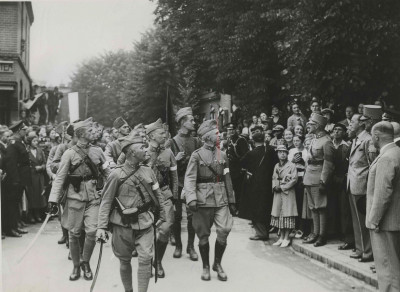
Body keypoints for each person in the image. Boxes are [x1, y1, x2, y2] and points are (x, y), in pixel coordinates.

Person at [97, 131, 164, 292]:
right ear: (132, 152)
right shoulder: (116, 175)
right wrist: (101, 227)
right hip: (122, 225)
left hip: (145, 222)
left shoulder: (148, 171)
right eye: (143, 147)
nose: (147, 150)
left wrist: (162, 214)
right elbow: (106, 201)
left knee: (146, 258)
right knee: (124, 260)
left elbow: (158, 195)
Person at [48, 118, 111, 281]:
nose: (94, 133)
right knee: (74, 234)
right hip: (74, 197)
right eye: (90, 131)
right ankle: (76, 266)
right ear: (81, 134)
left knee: (92, 231)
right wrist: (53, 200)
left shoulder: (98, 151)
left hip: (94, 197)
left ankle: (86, 262)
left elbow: (107, 173)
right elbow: (60, 178)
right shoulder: (69, 153)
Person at [184, 119, 236, 281]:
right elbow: (190, 178)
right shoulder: (196, 155)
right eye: (216, 133)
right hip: (202, 199)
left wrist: (232, 200)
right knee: (203, 234)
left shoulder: (223, 155)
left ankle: (217, 263)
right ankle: (206, 266)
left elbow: (227, 178)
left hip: (221, 197)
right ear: (207, 137)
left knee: (224, 229)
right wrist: (191, 198)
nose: (219, 135)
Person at [367, 121, 400, 292]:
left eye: (372, 135)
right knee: (395, 267)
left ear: (377, 136)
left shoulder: (387, 157)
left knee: (387, 270)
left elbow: (382, 194)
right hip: (394, 220)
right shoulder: (397, 152)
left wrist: (373, 221)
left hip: (385, 223)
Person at [145, 118, 178, 278]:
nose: (165, 135)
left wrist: (175, 198)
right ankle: (147, 260)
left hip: (165, 195)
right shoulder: (142, 152)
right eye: (161, 133)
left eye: (165, 132)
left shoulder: (169, 152)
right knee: (146, 232)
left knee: (164, 230)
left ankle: (157, 261)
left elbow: (174, 177)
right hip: (147, 197)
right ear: (151, 136)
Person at [170, 107, 201, 260]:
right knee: (176, 216)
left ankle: (191, 247)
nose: (194, 123)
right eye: (191, 120)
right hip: (177, 183)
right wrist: (175, 159)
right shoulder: (172, 142)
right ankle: (178, 246)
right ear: (182, 122)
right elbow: (164, 165)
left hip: (191, 184)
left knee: (192, 216)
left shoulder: (196, 141)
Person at [303, 113, 335, 247]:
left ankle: (322, 235)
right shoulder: (314, 139)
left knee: (321, 207)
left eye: (310, 123)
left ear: (317, 126)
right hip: (309, 176)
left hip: (318, 177)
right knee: (313, 207)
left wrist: (323, 180)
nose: (308, 125)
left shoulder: (327, 141)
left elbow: (329, 163)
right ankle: (315, 232)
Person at [347, 112, 375, 262]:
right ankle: (360, 248)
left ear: (361, 124)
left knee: (363, 220)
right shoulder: (356, 139)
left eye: (353, 121)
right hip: (353, 183)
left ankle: (367, 251)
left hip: (362, 184)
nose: (350, 124)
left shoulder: (368, 140)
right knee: (356, 220)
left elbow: (372, 165)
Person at [239, 131, 276, 240]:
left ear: (253, 141)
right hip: (269, 183)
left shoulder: (251, 153)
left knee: (256, 208)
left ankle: (260, 233)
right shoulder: (270, 150)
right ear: (264, 139)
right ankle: (265, 231)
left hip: (255, 185)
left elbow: (242, 162)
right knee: (266, 207)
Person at [3, 121, 30, 237]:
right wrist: (15, 180)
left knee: (15, 204)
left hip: (20, 178)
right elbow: (11, 163)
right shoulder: (13, 144)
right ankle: (11, 229)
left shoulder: (19, 142)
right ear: (19, 130)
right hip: (15, 179)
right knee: (12, 205)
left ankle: (15, 226)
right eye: (24, 129)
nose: (26, 131)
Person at [331, 123, 354, 251]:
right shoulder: (330, 144)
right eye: (335, 129)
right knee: (332, 207)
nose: (337, 132)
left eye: (340, 130)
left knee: (344, 209)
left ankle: (347, 237)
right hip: (330, 180)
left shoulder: (346, 146)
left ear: (344, 132)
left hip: (342, 180)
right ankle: (335, 232)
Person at [271, 145, 298, 247]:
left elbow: (294, 179)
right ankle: (281, 237)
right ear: (277, 154)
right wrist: (274, 186)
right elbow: (274, 177)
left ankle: (287, 237)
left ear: (287, 154)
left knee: (287, 215)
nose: (282, 154)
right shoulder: (276, 166)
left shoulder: (291, 165)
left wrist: (282, 187)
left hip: (288, 193)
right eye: (280, 152)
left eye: (284, 152)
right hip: (278, 193)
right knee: (279, 215)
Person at [288, 135, 307, 237]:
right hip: (293, 178)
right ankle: (293, 227)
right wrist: (293, 161)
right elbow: (287, 165)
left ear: (302, 141)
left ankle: (301, 227)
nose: (295, 142)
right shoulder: (291, 151)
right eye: (294, 140)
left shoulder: (306, 151)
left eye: (298, 140)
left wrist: (302, 163)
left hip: (302, 178)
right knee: (293, 203)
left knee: (301, 204)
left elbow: (307, 165)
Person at [26, 134, 47, 223]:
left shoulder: (40, 151)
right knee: (32, 195)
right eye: (34, 141)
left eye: (36, 141)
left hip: (39, 176)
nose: (36, 142)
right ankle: (31, 215)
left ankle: (38, 214)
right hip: (31, 176)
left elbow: (45, 163)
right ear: (30, 142)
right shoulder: (26, 151)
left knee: (39, 195)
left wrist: (41, 167)